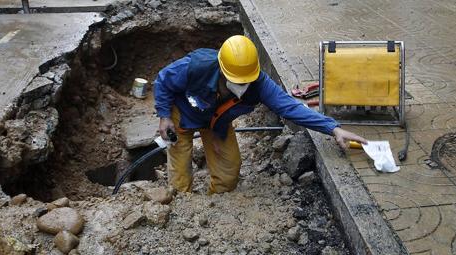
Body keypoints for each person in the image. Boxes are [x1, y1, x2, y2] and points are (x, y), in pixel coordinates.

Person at [154, 35, 366, 194]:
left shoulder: (259, 85)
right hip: (182, 117)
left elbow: (290, 107)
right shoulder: (196, 66)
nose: (243, 85)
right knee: (180, 172)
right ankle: (182, 205)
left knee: (229, 173)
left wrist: (333, 128)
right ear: (222, 70)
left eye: (246, 81)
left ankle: (215, 203)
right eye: (237, 81)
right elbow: (163, 81)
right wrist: (164, 116)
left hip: (217, 122)